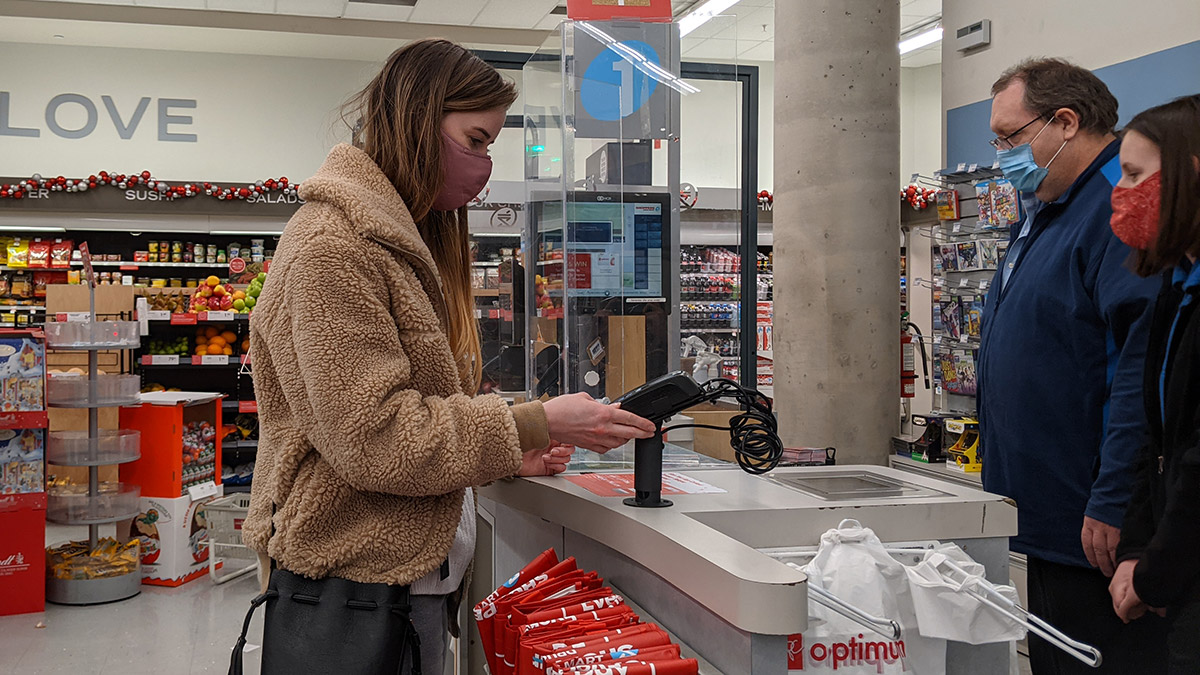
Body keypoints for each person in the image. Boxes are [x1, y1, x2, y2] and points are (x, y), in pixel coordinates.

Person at [239, 39, 656, 674]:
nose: (485, 164)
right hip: (354, 590)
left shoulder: (393, 242)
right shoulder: (334, 250)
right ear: (416, 120)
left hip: (397, 586)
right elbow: (375, 439)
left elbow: (414, 411)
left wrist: (509, 450)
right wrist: (537, 421)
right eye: (477, 140)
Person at [978, 58, 1166, 673]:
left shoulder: (1116, 212)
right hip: (1049, 515)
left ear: (1064, 122)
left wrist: (1114, 498)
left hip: (1094, 525)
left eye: (1009, 137)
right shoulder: (1047, 210)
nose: (1002, 154)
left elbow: (1136, 369)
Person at [1107, 94, 1200, 674]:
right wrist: (1137, 551)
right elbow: (1160, 440)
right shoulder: (1175, 289)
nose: (1121, 191)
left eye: (1137, 174)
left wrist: (1155, 570)